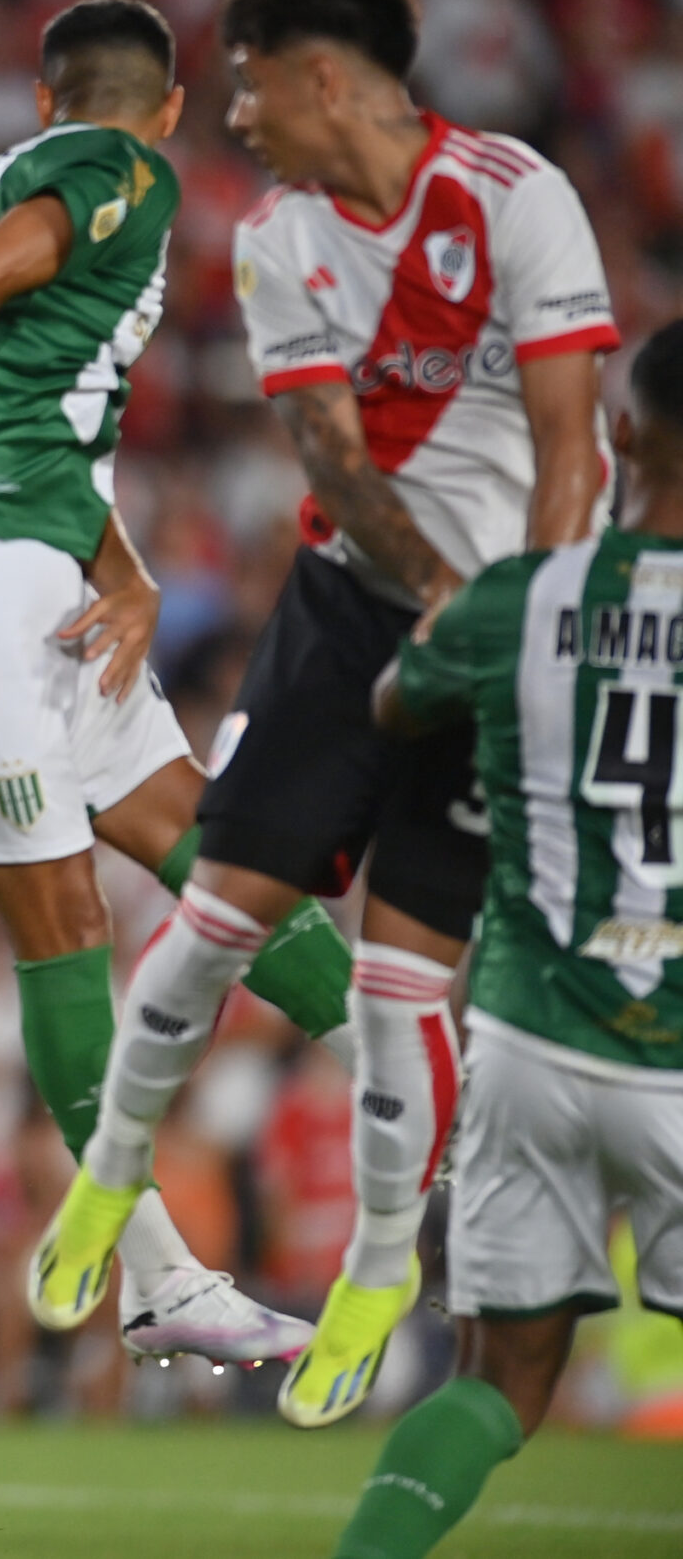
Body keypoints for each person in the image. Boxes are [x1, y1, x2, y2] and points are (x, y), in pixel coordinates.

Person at [28, 0, 620, 1431]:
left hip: (498, 616)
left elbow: (571, 444)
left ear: (324, 78)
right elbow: (337, 466)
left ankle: (372, 1279)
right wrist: (443, 613)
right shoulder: (284, 237)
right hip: (353, 607)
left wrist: (526, 629)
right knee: (221, 913)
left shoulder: (518, 198)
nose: (229, 114)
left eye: (244, 81)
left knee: (402, 977)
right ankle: (107, 1188)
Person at [0, 0, 349, 1367]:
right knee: (64, 910)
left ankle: (430, 1085)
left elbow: (27, 405)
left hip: (23, 568)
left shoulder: (3, 175)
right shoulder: (122, 173)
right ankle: (150, 1265)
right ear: (163, 112)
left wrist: (130, 568)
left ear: (42, 97)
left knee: (213, 845)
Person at [326, 318, 683, 1559]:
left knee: (494, 1381)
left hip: (532, 1037)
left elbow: (392, 702)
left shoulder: (519, 602)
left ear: (618, 432)